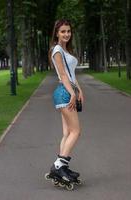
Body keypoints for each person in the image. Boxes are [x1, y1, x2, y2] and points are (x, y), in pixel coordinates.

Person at [49, 19, 84, 182]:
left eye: (68, 31)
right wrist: (72, 94)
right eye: (63, 31)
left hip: (67, 90)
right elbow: (63, 75)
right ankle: (58, 166)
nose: (66, 34)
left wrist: (80, 90)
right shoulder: (57, 49)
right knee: (76, 131)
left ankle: (63, 167)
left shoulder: (65, 50)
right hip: (64, 92)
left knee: (67, 133)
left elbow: (71, 74)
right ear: (57, 33)